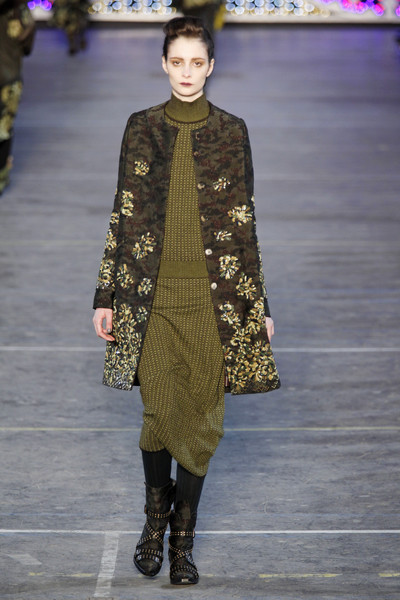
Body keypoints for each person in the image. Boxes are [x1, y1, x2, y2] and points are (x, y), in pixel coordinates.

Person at [93, 16, 280, 586]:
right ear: (164, 63)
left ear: (212, 66)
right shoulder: (141, 127)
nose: (187, 73)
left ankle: (182, 537)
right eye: (178, 61)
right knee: (157, 411)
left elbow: (244, 226)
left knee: (202, 417)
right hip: (148, 296)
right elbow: (123, 211)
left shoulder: (231, 131)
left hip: (211, 300)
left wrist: (258, 307)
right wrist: (105, 293)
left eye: (197, 62)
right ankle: (155, 521)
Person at [0, 0, 35, 194]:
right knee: (4, 128)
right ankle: (1, 177)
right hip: (8, 76)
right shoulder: (17, 10)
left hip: (8, 75)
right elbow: (27, 43)